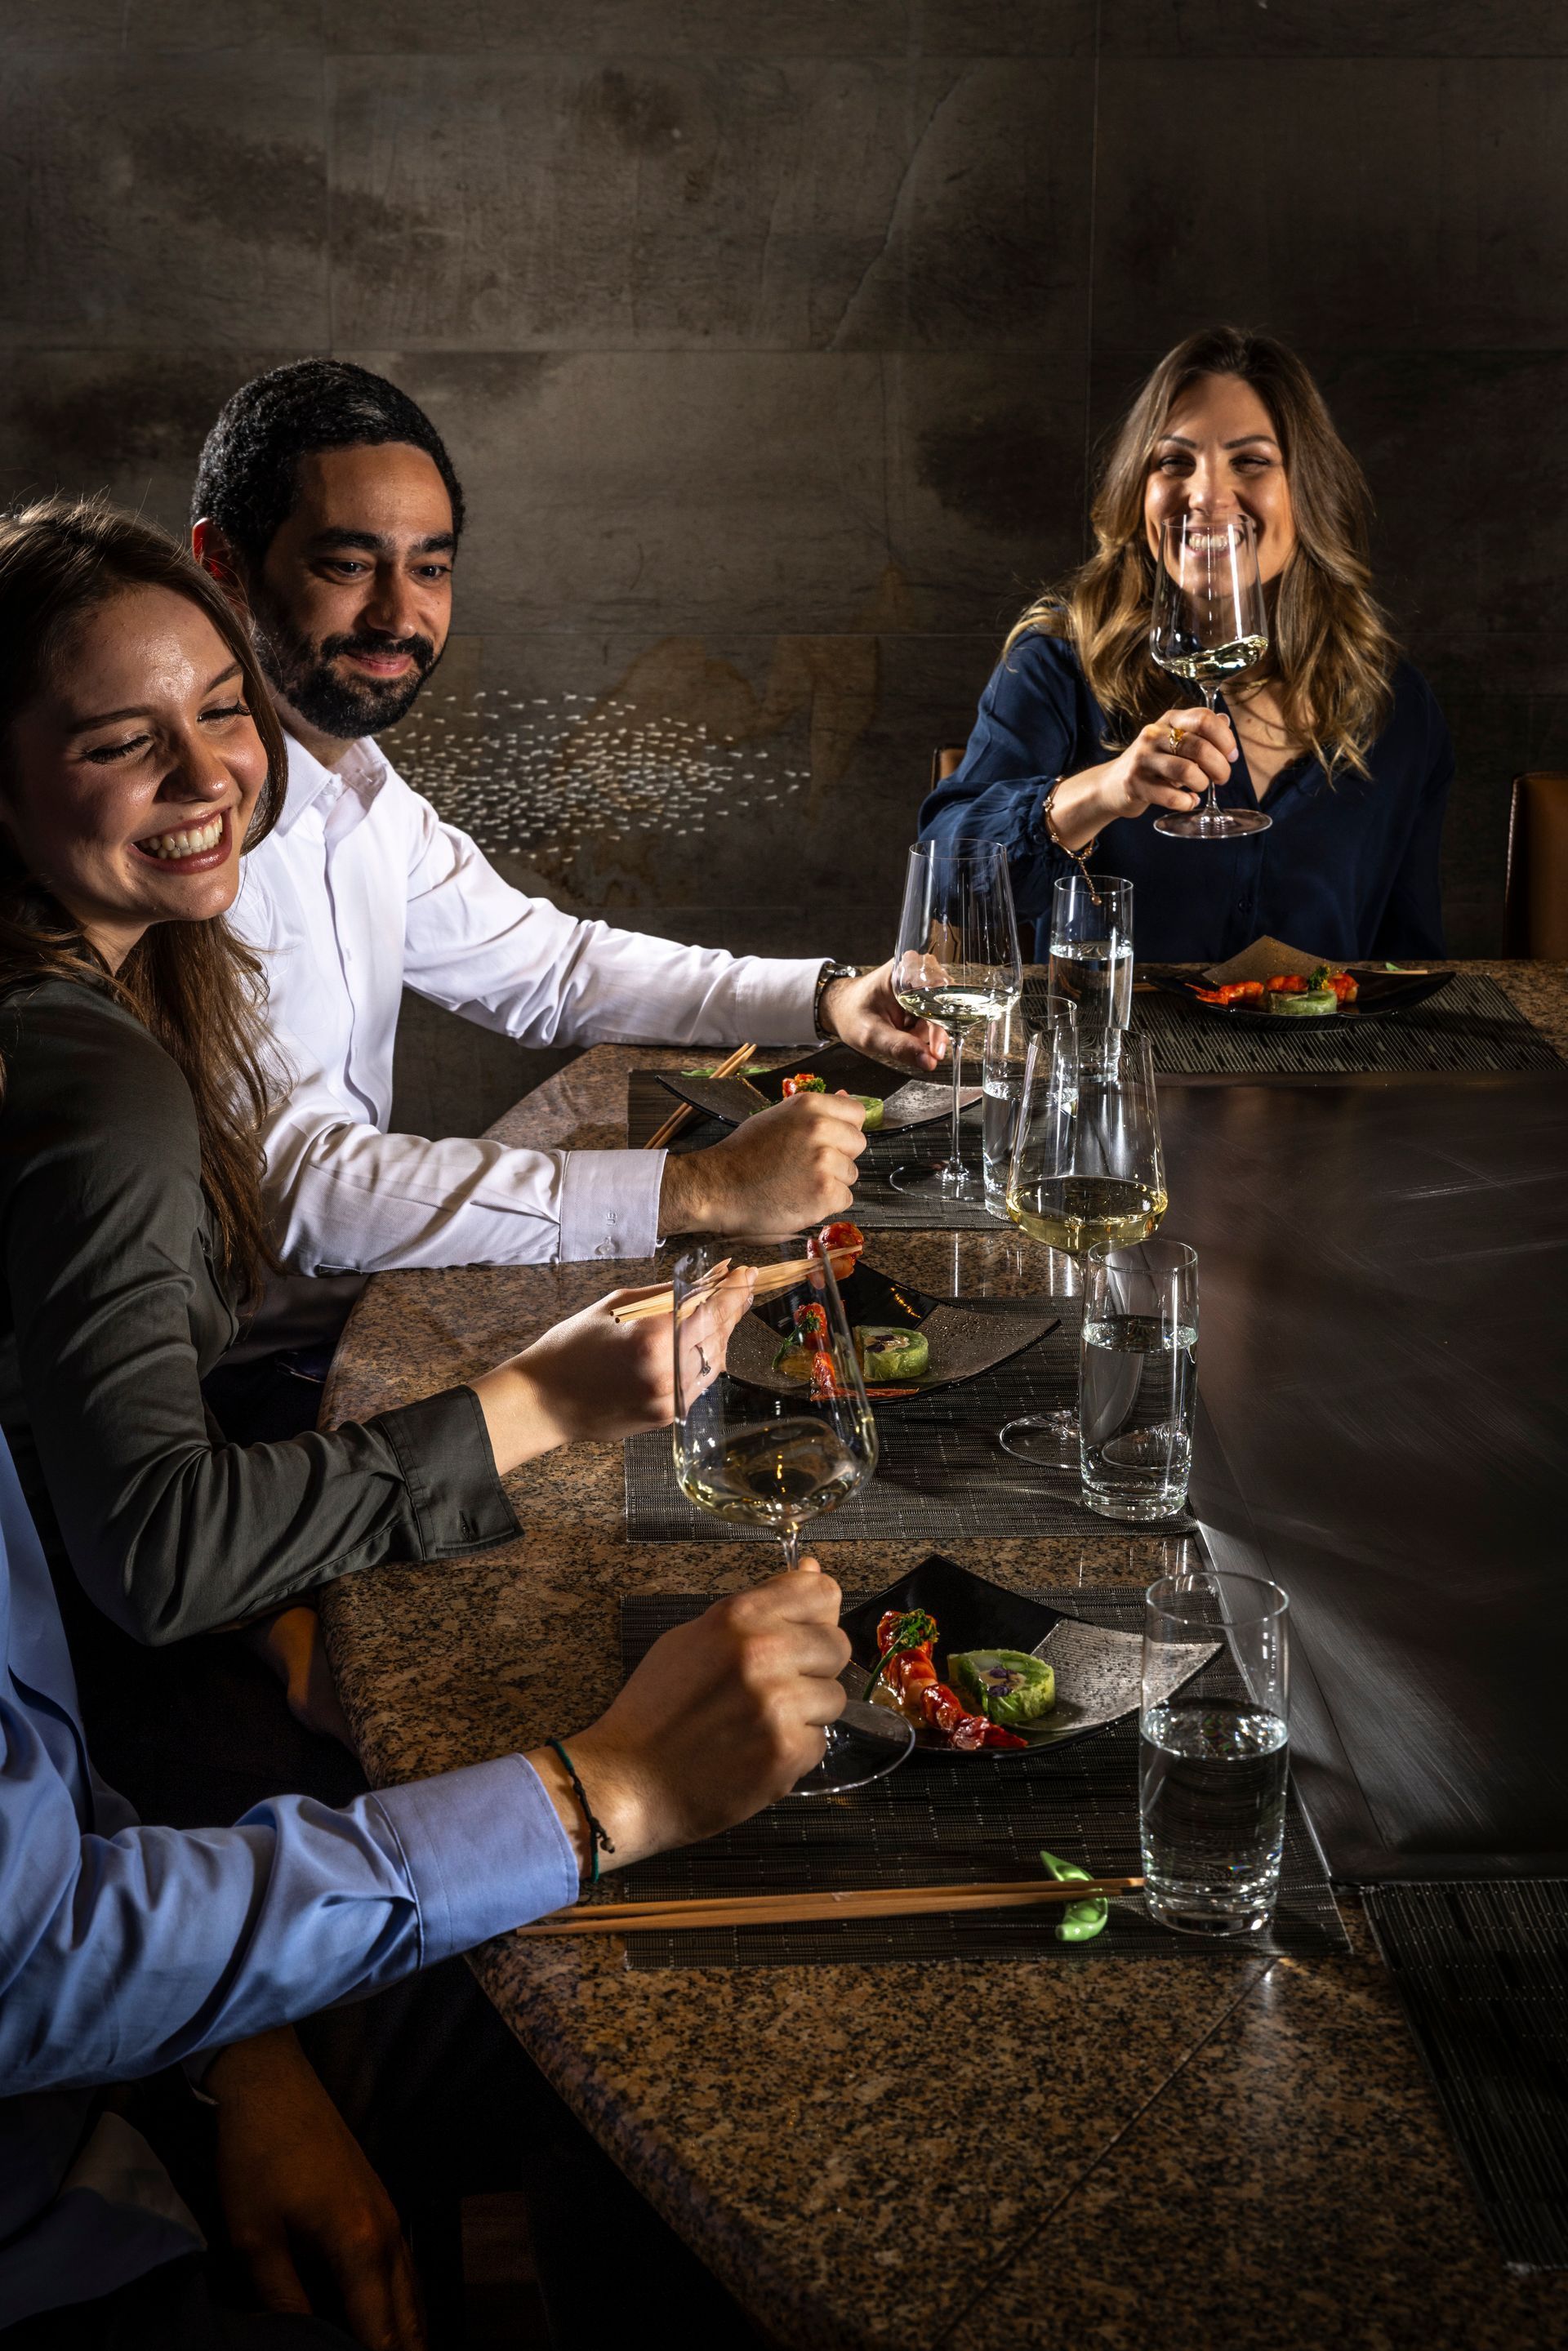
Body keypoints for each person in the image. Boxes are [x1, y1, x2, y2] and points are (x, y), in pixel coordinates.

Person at [0, 1409, 851, 2341]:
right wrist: (604, 1787)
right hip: (50, 2257)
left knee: (641, 2003)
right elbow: (38, 1953)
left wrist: (234, 2050)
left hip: (94, 2071)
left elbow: (46, 1796)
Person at [187, 358, 942, 1405]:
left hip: (341, 1333)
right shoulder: (188, 826)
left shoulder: (349, 780)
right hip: (226, 1401)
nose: (400, 616)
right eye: (350, 565)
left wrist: (824, 994)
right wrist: (699, 1187)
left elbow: (554, 969)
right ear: (222, 565)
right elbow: (296, 1189)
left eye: (433, 569)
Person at [920, 325, 1454, 964]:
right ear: (1138, 491)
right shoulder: (1059, 661)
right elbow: (942, 879)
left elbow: (1413, 965)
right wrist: (1103, 792)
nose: (1204, 497)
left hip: (1324, 1063)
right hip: (1116, 1059)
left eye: (1250, 461)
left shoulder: (1392, 705)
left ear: (1307, 491)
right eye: (1174, 462)